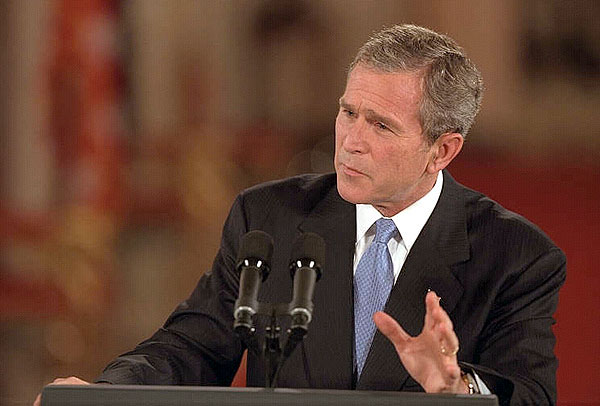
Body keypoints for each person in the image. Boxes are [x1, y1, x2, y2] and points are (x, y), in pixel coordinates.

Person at [35, 24, 566, 406]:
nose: (350, 142)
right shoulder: (268, 217)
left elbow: (532, 395)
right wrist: (105, 395)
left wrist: (456, 390)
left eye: (380, 126)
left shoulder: (516, 256)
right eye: (347, 112)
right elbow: (191, 346)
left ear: (442, 151)